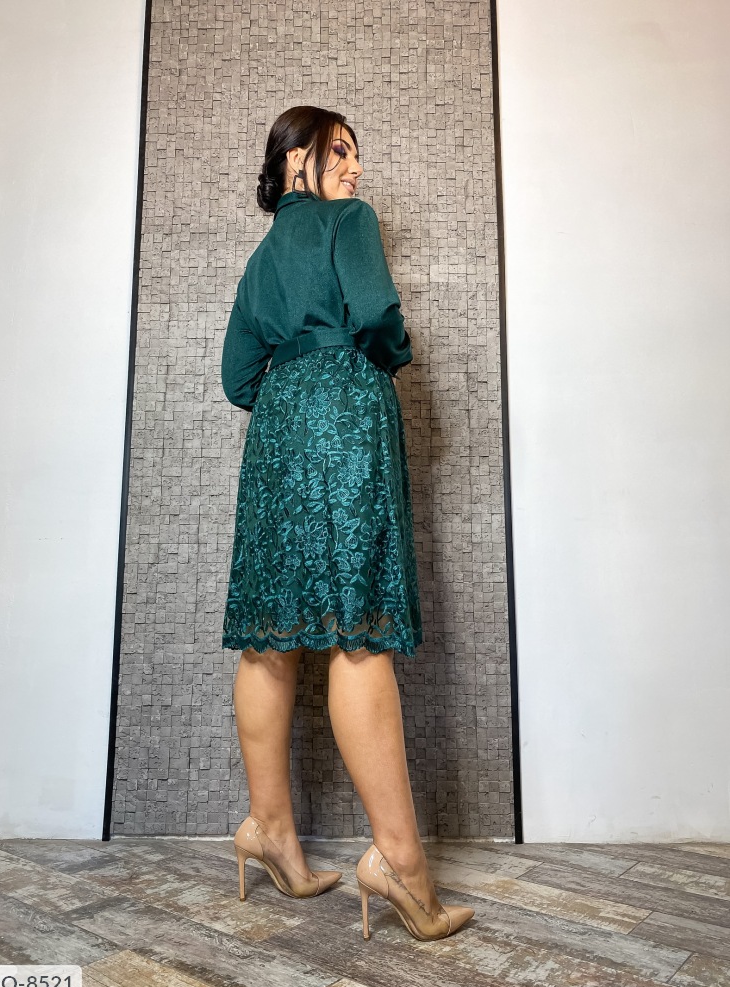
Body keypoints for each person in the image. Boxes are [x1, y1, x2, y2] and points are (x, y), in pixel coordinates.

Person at [221, 105, 474, 941]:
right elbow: (375, 313)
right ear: (297, 155)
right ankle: (399, 863)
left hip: (277, 434)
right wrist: (383, 358)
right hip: (345, 414)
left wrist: (291, 388)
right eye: (341, 150)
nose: (356, 168)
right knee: (357, 631)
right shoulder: (350, 221)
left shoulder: (261, 258)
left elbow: (237, 378)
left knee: (271, 633)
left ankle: (270, 834)